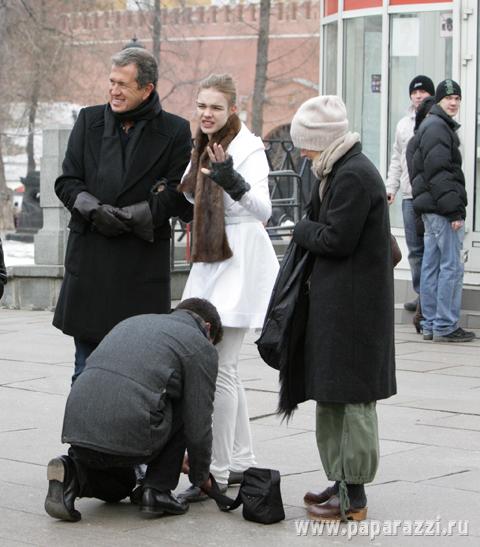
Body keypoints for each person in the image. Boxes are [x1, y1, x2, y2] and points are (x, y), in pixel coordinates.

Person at [52, 47, 193, 383]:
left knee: (138, 372)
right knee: (86, 368)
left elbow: (178, 194)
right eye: (111, 82)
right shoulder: (89, 120)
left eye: (123, 84)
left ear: (147, 89)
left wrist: (133, 215)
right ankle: (82, 436)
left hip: (140, 269)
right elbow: (67, 181)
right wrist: (95, 210)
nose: (113, 90)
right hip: (91, 263)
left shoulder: (175, 130)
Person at [288, 96, 396, 521]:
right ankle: (339, 479)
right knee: (332, 395)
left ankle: (354, 495)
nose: (301, 152)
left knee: (352, 401)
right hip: (341, 305)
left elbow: (337, 239)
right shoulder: (337, 169)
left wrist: (299, 228)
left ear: (322, 140)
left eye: (305, 144)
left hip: (355, 311)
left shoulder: (353, 175)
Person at [177, 74, 279, 500]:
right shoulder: (201, 142)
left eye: (216, 107)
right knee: (225, 368)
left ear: (232, 108)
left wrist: (228, 177)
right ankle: (239, 460)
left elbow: (264, 209)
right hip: (212, 259)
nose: (206, 113)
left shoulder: (248, 146)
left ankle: (216, 469)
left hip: (240, 260)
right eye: (202, 105)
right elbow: (188, 195)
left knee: (218, 366)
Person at [44, 298, 222, 522]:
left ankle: (73, 474)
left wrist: (175, 459)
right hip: (130, 429)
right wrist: (201, 476)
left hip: (78, 429)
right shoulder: (199, 345)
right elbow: (199, 424)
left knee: (121, 485)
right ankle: (158, 490)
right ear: (207, 328)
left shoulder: (133, 322)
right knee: (189, 402)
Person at [410, 79, 475, 343]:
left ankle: (430, 323)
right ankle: (445, 325)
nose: (453, 102)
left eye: (457, 98)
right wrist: (454, 213)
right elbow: (439, 174)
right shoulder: (438, 128)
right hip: (441, 209)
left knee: (432, 266)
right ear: (438, 101)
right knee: (450, 267)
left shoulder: (432, 125)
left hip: (432, 208)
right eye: (449, 98)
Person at [385, 75, 435, 316]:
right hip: (409, 196)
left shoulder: (436, 122)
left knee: (431, 248)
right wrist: (390, 187)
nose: (418, 96)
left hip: (432, 197)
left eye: (424, 92)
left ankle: (429, 299)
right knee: (415, 250)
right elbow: (397, 159)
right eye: (415, 92)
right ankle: (421, 295)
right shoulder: (403, 125)